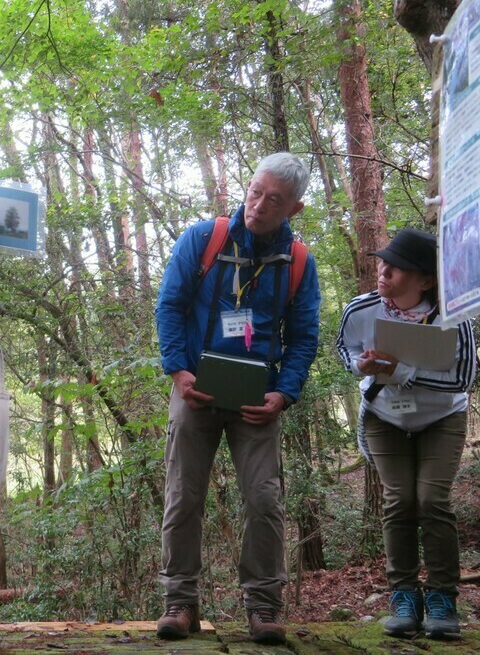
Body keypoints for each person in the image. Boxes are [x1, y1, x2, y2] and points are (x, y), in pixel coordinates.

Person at [154, 153, 321, 645]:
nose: (259, 205)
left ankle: (263, 607)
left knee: (264, 498)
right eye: (255, 191)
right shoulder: (204, 239)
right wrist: (179, 370)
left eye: (274, 200)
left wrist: (283, 393)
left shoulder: (298, 262)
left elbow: (304, 335)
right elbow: (170, 304)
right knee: (184, 495)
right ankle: (180, 600)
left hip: (257, 398)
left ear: (295, 208)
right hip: (196, 387)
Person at [336, 227, 476, 640]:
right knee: (399, 500)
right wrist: (360, 366)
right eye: (382, 264)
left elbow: (463, 379)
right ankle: (403, 595)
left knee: (432, 499)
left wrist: (402, 372)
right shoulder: (362, 309)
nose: (383, 273)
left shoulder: (454, 317)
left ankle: (442, 598)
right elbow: (345, 348)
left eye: (395, 269)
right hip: (386, 417)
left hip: (441, 418)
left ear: (425, 280)